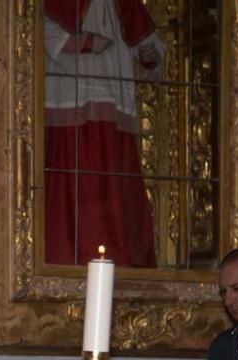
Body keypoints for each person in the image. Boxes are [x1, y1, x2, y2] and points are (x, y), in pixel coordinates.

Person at [43, 0, 166, 267]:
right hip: (70, 92)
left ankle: (120, 255)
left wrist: (150, 53)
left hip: (114, 95)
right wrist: (80, 42)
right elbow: (35, 27)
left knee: (114, 180)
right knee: (75, 175)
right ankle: (67, 255)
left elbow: (147, 41)